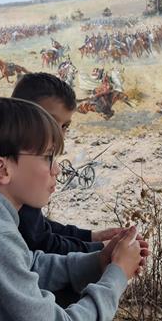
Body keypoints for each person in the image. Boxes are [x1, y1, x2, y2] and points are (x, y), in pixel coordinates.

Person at [0, 96, 148, 320]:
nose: (56, 169)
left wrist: (98, 261)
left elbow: (26, 264)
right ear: (2, 170)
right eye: (48, 157)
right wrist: (117, 275)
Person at [12, 73, 122, 254]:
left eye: (65, 126)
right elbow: (41, 243)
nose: (59, 135)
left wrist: (91, 237)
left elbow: (37, 226)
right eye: (50, 121)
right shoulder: (17, 166)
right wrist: (102, 250)